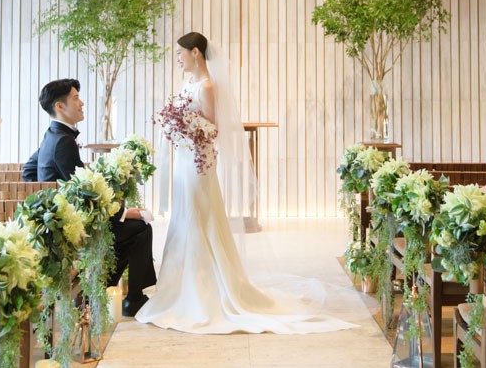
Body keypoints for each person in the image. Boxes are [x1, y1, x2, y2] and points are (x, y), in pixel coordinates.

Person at [134, 33, 353, 334]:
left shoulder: (207, 86)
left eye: (181, 53)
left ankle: (204, 291)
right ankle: (180, 286)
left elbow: (213, 129)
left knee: (199, 217)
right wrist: (176, 126)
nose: (178, 59)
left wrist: (186, 124)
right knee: (184, 216)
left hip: (200, 162)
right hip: (185, 159)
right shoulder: (187, 83)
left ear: (195, 52)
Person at [34, 78, 156, 317]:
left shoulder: (52, 135)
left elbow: (30, 171)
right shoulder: (63, 142)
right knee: (140, 228)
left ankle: (108, 294)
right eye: (76, 98)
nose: (81, 103)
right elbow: (84, 194)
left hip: (65, 215)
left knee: (129, 228)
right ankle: (118, 297)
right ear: (60, 106)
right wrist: (124, 213)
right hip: (72, 223)